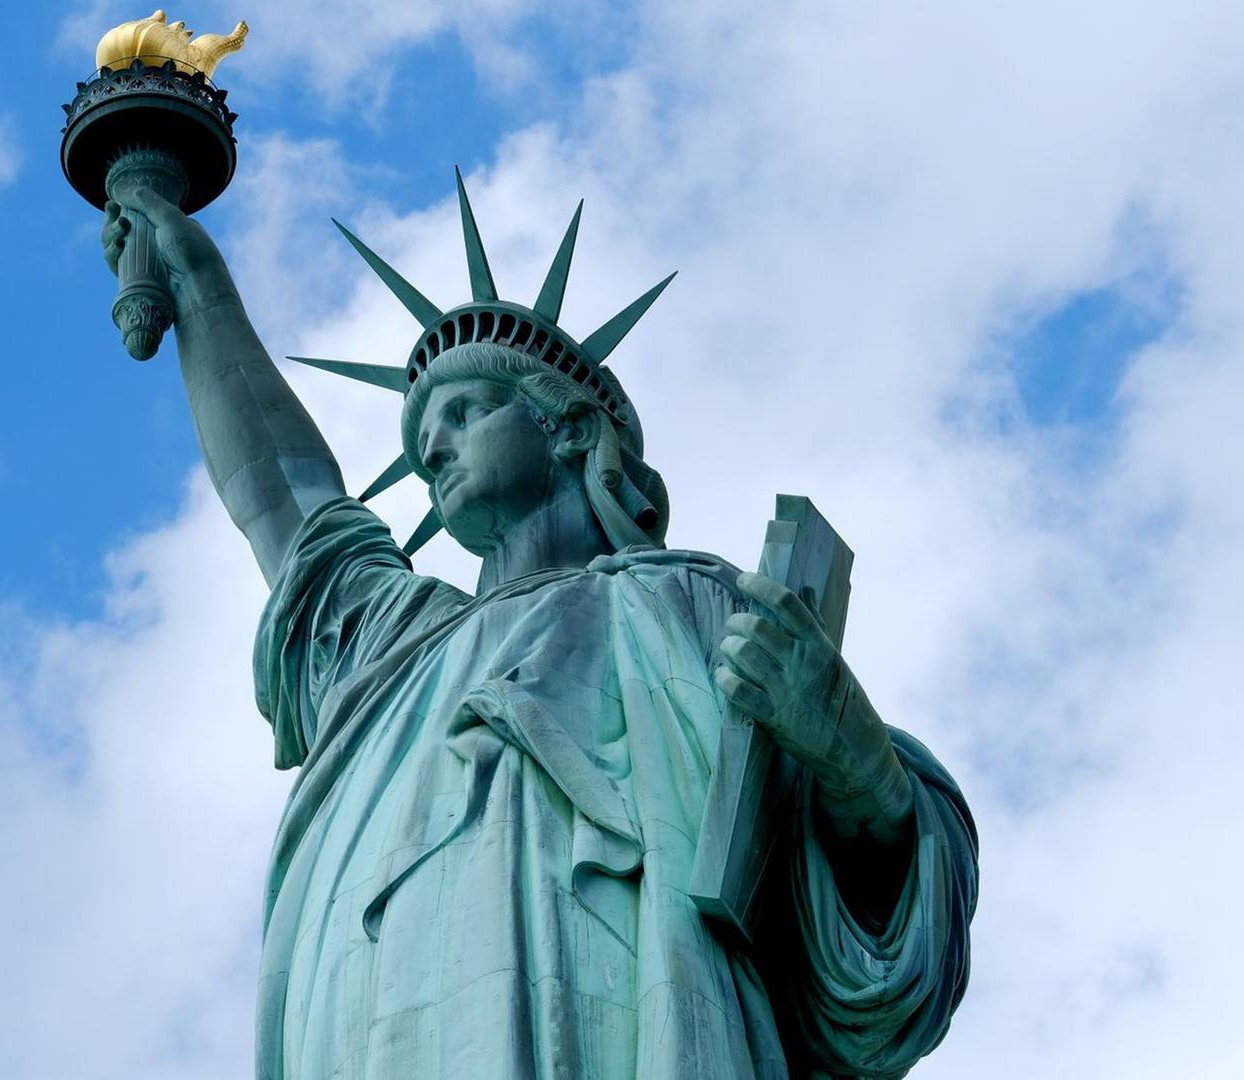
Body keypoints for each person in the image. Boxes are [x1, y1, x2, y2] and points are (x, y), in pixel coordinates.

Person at [101, 180, 977, 1079]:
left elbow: (887, 919)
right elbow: (287, 507)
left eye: (466, 412)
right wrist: (201, 289)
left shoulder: (693, 603)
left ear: (569, 430)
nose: (432, 448)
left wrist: (851, 753)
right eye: (423, 431)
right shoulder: (396, 647)